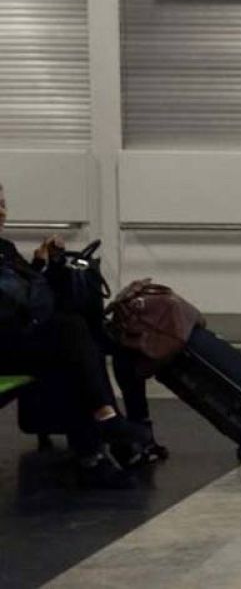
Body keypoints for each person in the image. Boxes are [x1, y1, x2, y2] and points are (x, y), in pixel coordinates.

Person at [0, 182, 151, 487]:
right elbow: (19, 303)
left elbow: (29, 298)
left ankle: (94, 452)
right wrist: (38, 285)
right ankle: (106, 427)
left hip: (16, 337)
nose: (1, 211)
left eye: (2, 203)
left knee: (75, 348)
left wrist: (43, 264)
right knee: (70, 332)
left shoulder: (5, 249)